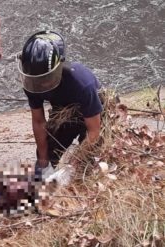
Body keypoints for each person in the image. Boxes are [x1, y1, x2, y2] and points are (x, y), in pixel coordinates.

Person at [17, 31, 102, 180]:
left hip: (91, 113)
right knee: (48, 151)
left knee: (86, 164)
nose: (41, 85)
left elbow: (94, 131)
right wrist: (43, 162)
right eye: (37, 81)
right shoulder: (32, 83)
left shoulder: (82, 84)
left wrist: (72, 166)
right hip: (62, 112)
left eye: (45, 79)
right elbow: (38, 121)